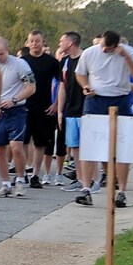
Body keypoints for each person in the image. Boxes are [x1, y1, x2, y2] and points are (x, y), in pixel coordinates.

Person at [75, 30, 133, 207]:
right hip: (95, 99)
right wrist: (85, 85)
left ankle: (121, 191)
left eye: (110, 48)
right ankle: (86, 189)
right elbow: (80, 73)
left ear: (117, 45)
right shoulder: (90, 53)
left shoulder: (129, 52)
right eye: (103, 46)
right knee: (90, 144)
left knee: (122, 146)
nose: (105, 50)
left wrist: (125, 56)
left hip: (120, 99)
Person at [0, 35, 34, 200]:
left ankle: (20, 180)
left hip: (16, 109)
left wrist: (14, 99)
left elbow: (31, 87)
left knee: (16, 146)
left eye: (1, 53)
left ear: (7, 51)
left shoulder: (20, 64)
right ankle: (5, 183)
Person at [20, 30, 63, 187]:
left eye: (37, 41)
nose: (34, 44)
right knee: (23, 141)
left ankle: (35, 175)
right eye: (31, 41)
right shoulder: (22, 61)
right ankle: (23, 171)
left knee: (40, 143)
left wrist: (56, 103)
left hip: (44, 107)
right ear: (27, 42)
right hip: (24, 106)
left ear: (42, 42)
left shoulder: (51, 62)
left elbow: (61, 84)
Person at [55, 31, 86, 183]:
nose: (59, 44)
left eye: (62, 41)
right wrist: (60, 111)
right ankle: (79, 180)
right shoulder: (65, 61)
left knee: (87, 147)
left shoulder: (86, 58)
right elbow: (62, 87)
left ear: (70, 43)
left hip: (85, 109)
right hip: (70, 110)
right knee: (74, 146)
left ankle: (90, 181)